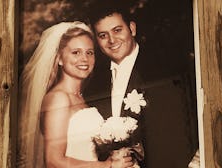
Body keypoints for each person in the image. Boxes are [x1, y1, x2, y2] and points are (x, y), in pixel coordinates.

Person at [84, 1, 198, 167]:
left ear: (132, 28)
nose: (111, 40)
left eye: (117, 30)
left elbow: (181, 131)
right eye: (103, 35)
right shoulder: (95, 84)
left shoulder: (162, 69)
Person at [18, 21, 134, 168]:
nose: (84, 59)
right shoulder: (58, 98)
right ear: (59, 58)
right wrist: (106, 166)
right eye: (76, 52)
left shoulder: (79, 96)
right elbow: (53, 161)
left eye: (89, 52)